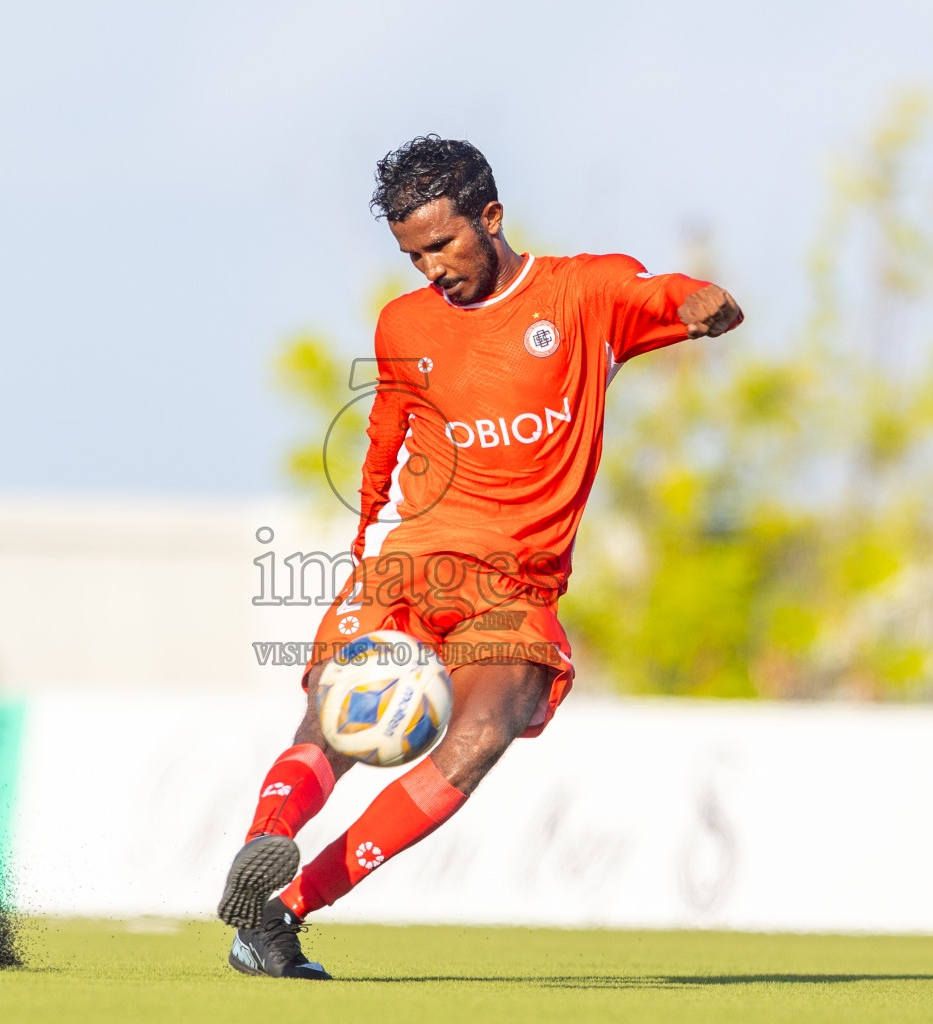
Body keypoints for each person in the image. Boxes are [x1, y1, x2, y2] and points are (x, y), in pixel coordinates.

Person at [219, 135, 743, 979]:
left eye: (441, 245)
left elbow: (662, 292)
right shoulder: (405, 324)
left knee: (482, 733)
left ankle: (281, 914)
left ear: (491, 218)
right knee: (339, 715)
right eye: (412, 254)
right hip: (412, 561)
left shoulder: (582, 294)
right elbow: (386, 434)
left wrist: (705, 300)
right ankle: (263, 849)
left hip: (516, 587)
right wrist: (362, 555)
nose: (429, 268)